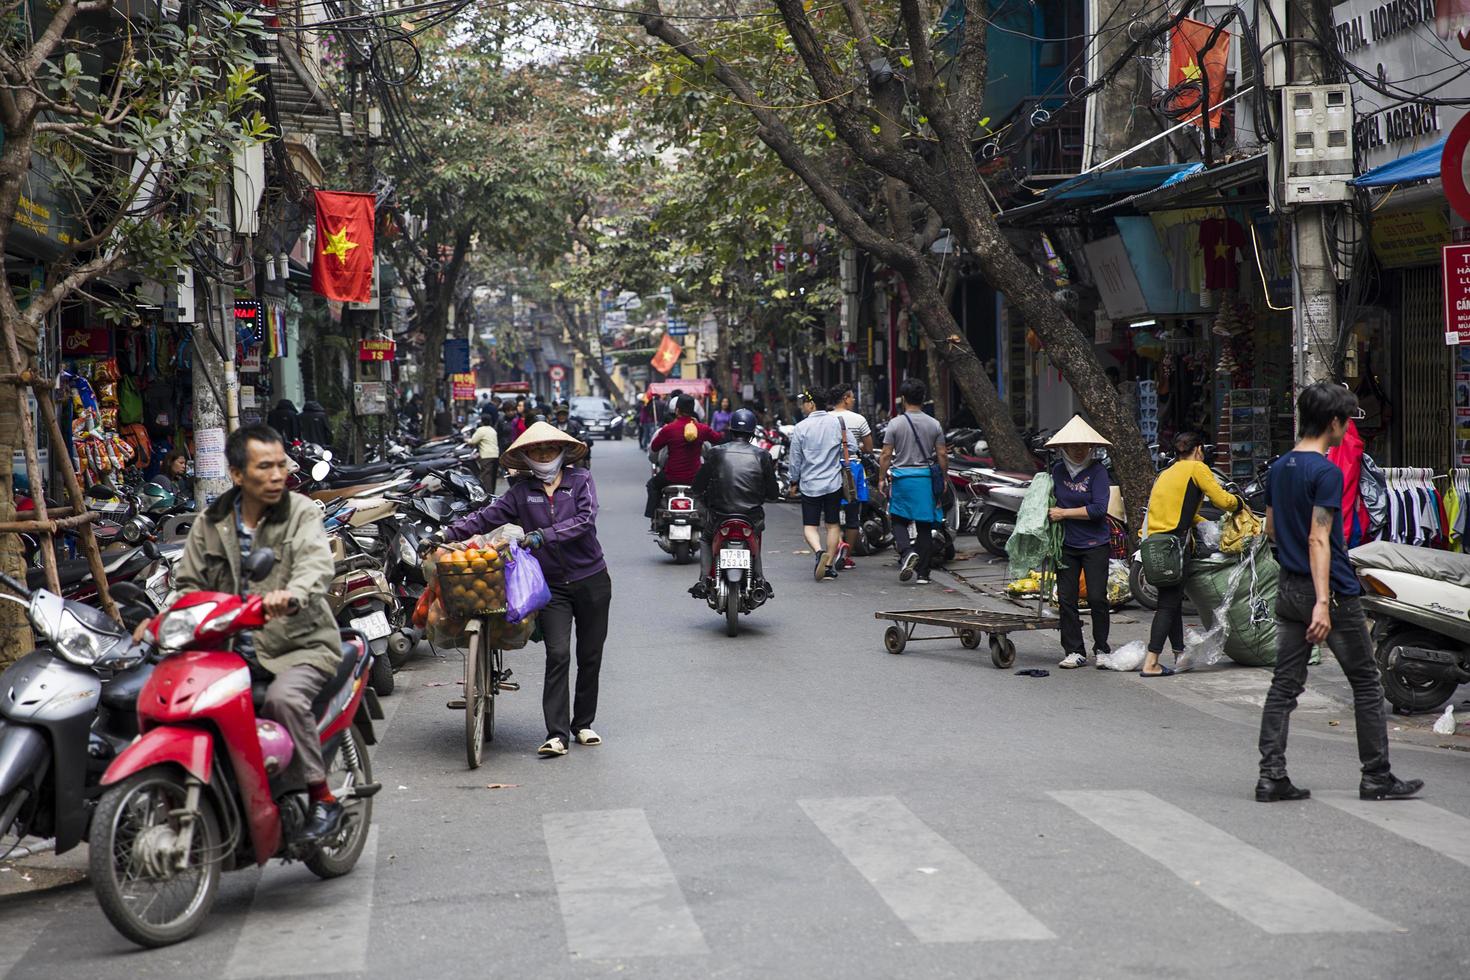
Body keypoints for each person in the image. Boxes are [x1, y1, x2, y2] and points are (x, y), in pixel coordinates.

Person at [161, 425, 345, 840]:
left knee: (283, 700)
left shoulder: (301, 511)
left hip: (298, 644)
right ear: (238, 475)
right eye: (266, 466)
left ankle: (321, 797)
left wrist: (292, 595)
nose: (278, 474)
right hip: (226, 651)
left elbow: (316, 565)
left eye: (281, 465)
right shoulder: (211, 522)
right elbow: (188, 585)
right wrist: (167, 620)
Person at [1257, 383, 1422, 804]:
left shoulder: (1280, 467)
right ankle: (1376, 777)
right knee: (1367, 684)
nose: (1346, 427)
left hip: (1289, 587)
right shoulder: (1326, 472)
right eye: (1346, 420)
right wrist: (1322, 601)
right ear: (1334, 422)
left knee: (1284, 686)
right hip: (1328, 590)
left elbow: (1273, 528)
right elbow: (1320, 539)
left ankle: (1271, 777)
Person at [442, 422, 610, 759]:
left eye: (549, 449)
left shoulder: (580, 481)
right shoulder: (520, 491)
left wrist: (543, 535)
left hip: (592, 578)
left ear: (562, 452)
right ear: (527, 457)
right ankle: (557, 733)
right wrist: (447, 535)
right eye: (536, 451)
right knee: (558, 653)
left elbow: (585, 520)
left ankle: (583, 724)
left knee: (589, 655)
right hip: (551, 587)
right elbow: (486, 518)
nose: (544, 455)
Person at [1140, 431, 1244, 677]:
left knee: (1172, 601)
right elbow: (1222, 500)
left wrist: (1200, 523)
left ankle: (1179, 654)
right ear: (1198, 449)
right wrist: (1239, 503)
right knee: (1167, 604)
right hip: (1173, 546)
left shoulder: (1166, 473)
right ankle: (1151, 662)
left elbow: (1172, 509)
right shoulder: (1197, 468)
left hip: (1154, 542)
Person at [1045, 416, 1114, 669]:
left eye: (1083, 445)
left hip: (1095, 543)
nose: (1078, 449)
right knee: (1066, 599)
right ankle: (1074, 650)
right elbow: (1048, 501)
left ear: (1091, 447)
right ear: (1063, 447)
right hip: (1066, 544)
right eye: (1072, 445)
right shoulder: (1057, 471)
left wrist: (1063, 513)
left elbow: (1098, 509)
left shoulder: (1098, 472)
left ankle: (1102, 649)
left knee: (1097, 598)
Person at [689, 408, 778, 597]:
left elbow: (697, 486)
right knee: (755, 536)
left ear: (731, 430)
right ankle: (760, 578)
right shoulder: (762, 455)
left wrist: (702, 497)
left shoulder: (715, 453)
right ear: (752, 433)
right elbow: (772, 493)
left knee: (705, 538)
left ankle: (704, 580)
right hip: (751, 517)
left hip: (720, 515)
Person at [879, 378, 946, 585]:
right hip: (925, 480)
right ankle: (924, 575)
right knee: (925, 526)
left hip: (902, 479)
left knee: (898, 519)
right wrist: (943, 476)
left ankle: (907, 551)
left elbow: (885, 454)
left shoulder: (895, 424)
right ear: (923, 399)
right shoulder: (934, 424)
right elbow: (942, 454)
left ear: (904, 399)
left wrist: (881, 478)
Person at [788, 385, 847, 581]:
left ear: (811, 404)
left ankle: (819, 551)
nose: (802, 407)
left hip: (810, 484)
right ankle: (829, 565)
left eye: (804, 402)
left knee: (810, 526)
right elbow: (852, 446)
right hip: (833, 483)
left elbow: (795, 459)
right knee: (832, 525)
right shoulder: (837, 422)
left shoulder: (801, 427)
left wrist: (793, 481)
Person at [646, 394, 721, 525]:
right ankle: (712, 522)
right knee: (712, 490)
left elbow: (654, 446)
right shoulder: (702, 429)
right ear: (693, 411)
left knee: (652, 484)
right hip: (695, 478)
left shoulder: (668, 429)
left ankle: (653, 517)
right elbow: (717, 439)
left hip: (671, 477)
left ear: (676, 410)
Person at [831, 383, 874, 570]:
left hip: (830, 468)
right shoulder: (858, 419)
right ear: (846, 399)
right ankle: (846, 556)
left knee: (831, 513)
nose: (854, 399)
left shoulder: (825, 419)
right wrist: (854, 449)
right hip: (852, 469)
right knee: (852, 514)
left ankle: (836, 546)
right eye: (852, 396)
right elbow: (869, 448)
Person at [467, 408, 501, 495]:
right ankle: (492, 493)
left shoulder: (481, 430)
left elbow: (473, 441)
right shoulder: (492, 430)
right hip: (495, 455)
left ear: (481, 421)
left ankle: (488, 495)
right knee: (493, 476)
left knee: (486, 476)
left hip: (486, 456)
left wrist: (465, 440)